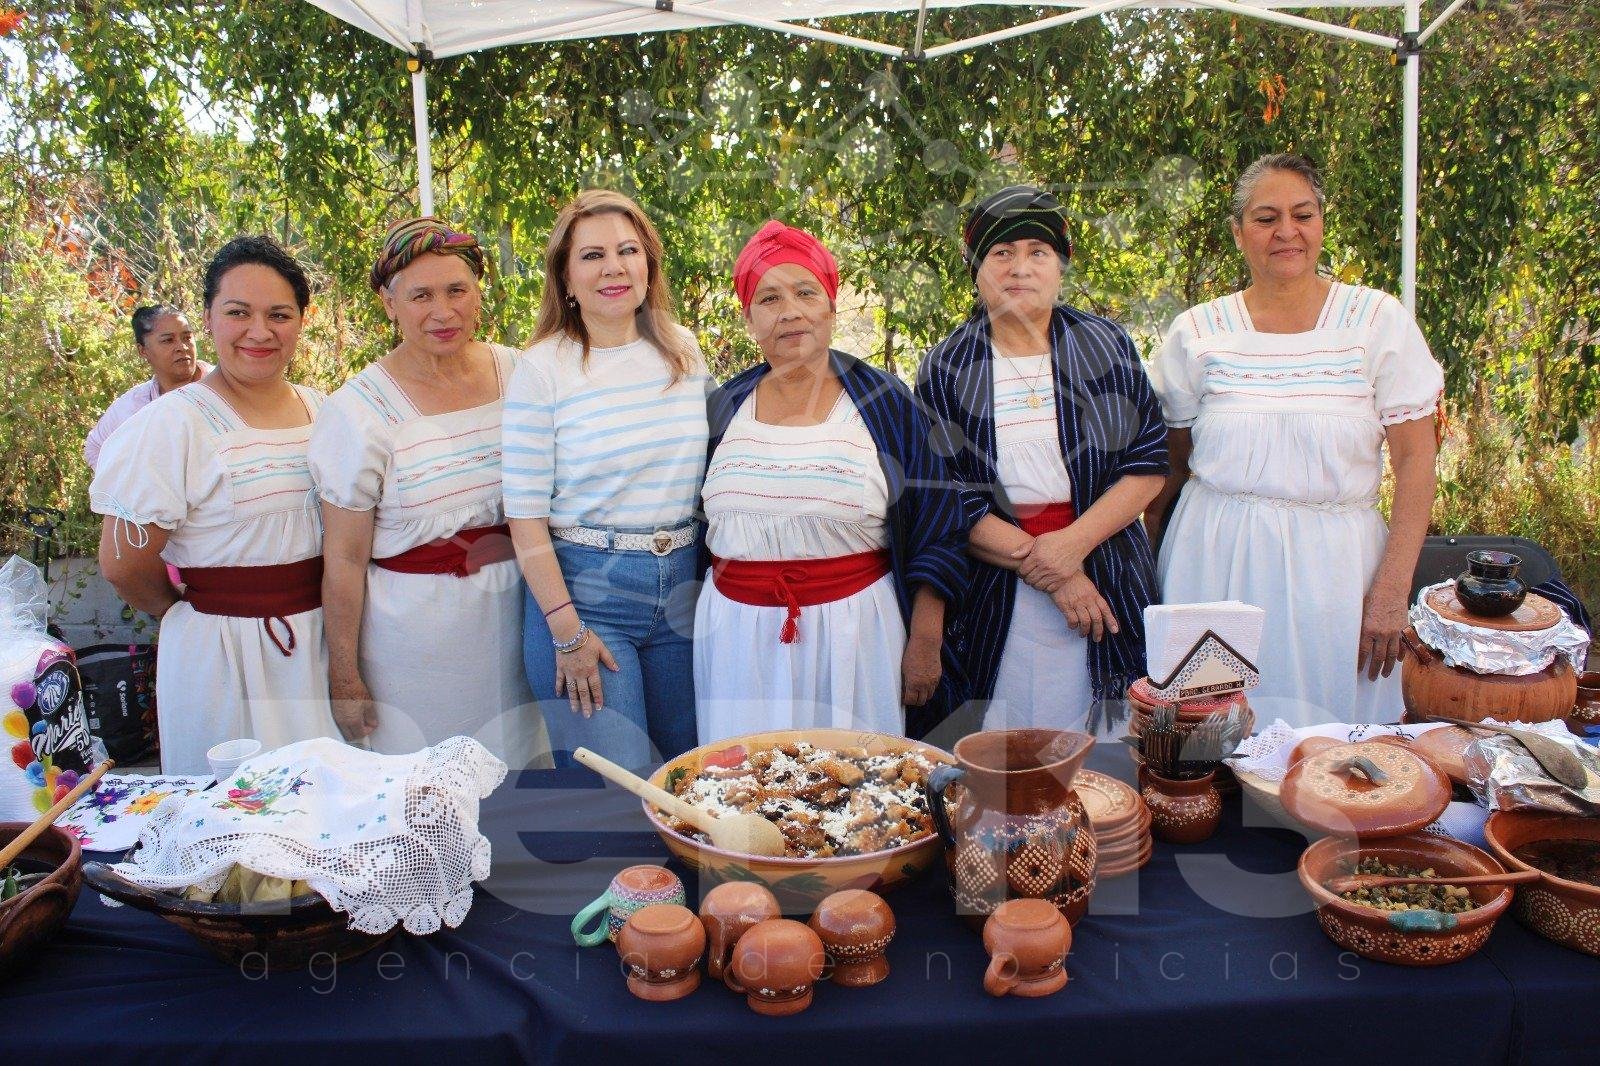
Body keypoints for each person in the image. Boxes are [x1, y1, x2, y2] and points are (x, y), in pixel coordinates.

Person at [1145, 153, 1443, 727]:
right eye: (1265, 218)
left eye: (1302, 214)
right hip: (1214, 565)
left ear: (1322, 223)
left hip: (1336, 577)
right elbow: (1169, 468)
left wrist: (1391, 587)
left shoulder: (1376, 320)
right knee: (1207, 746)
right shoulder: (1198, 332)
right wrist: (1150, 571)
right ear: (1238, 233)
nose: (1287, 231)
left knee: (1333, 758)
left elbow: (1415, 461)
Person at [695, 220, 973, 743]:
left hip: (855, 637)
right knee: (746, 788)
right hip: (735, 642)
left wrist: (926, 640)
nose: (791, 311)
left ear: (831, 305)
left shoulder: (884, 403)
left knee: (855, 792)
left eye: (806, 292)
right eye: (769, 298)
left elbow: (939, 524)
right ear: (748, 318)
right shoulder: (722, 409)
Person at [916, 186, 1168, 739]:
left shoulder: (1105, 345)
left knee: (1109, 755)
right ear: (976, 270)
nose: (1019, 268)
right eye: (1000, 254)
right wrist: (1056, 575)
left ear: (1061, 266)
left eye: (1037, 252)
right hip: (997, 591)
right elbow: (950, 497)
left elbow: (1147, 463)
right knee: (1009, 756)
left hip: (1105, 574)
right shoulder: (947, 365)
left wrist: (1072, 550)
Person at [90, 235, 339, 773]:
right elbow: (122, 564)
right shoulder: (171, 424)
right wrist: (186, 611)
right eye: (237, 312)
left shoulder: (326, 412)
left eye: (278, 314)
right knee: (236, 821)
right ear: (208, 318)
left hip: (323, 641)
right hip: (223, 655)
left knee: (328, 815)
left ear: (301, 320)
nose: (259, 331)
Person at [309, 218, 542, 766]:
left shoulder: (520, 374)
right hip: (417, 643)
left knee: (523, 780)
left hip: (519, 617)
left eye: (457, 290)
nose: (443, 311)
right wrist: (345, 676)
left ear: (479, 292)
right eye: (421, 296)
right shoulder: (358, 411)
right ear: (389, 303)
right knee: (431, 793)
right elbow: (343, 559)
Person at [503, 190, 709, 769]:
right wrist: (566, 632)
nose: (614, 267)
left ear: (649, 264)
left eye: (627, 250)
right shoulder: (542, 368)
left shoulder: (682, 351)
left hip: (682, 591)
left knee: (690, 778)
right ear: (566, 279)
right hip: (588, 595)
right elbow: (524, 516)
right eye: (592, 256)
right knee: (621, 793)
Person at [84, 304, 211, 470]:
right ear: (143, 351)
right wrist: (126, 487)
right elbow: (95, 446)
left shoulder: (225, 386)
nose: (182, 347)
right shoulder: (136, 405)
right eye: (168, 340)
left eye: (187, 337)